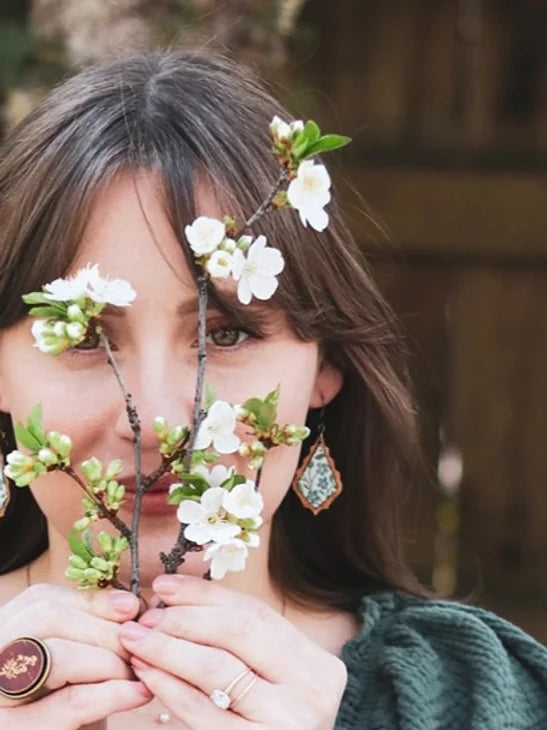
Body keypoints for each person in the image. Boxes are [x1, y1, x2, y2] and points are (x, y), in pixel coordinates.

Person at [0, 50, 545, 730]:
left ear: (325, 368)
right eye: (86, 340)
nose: (160, 421)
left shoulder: (472, 697)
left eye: (225, 335)